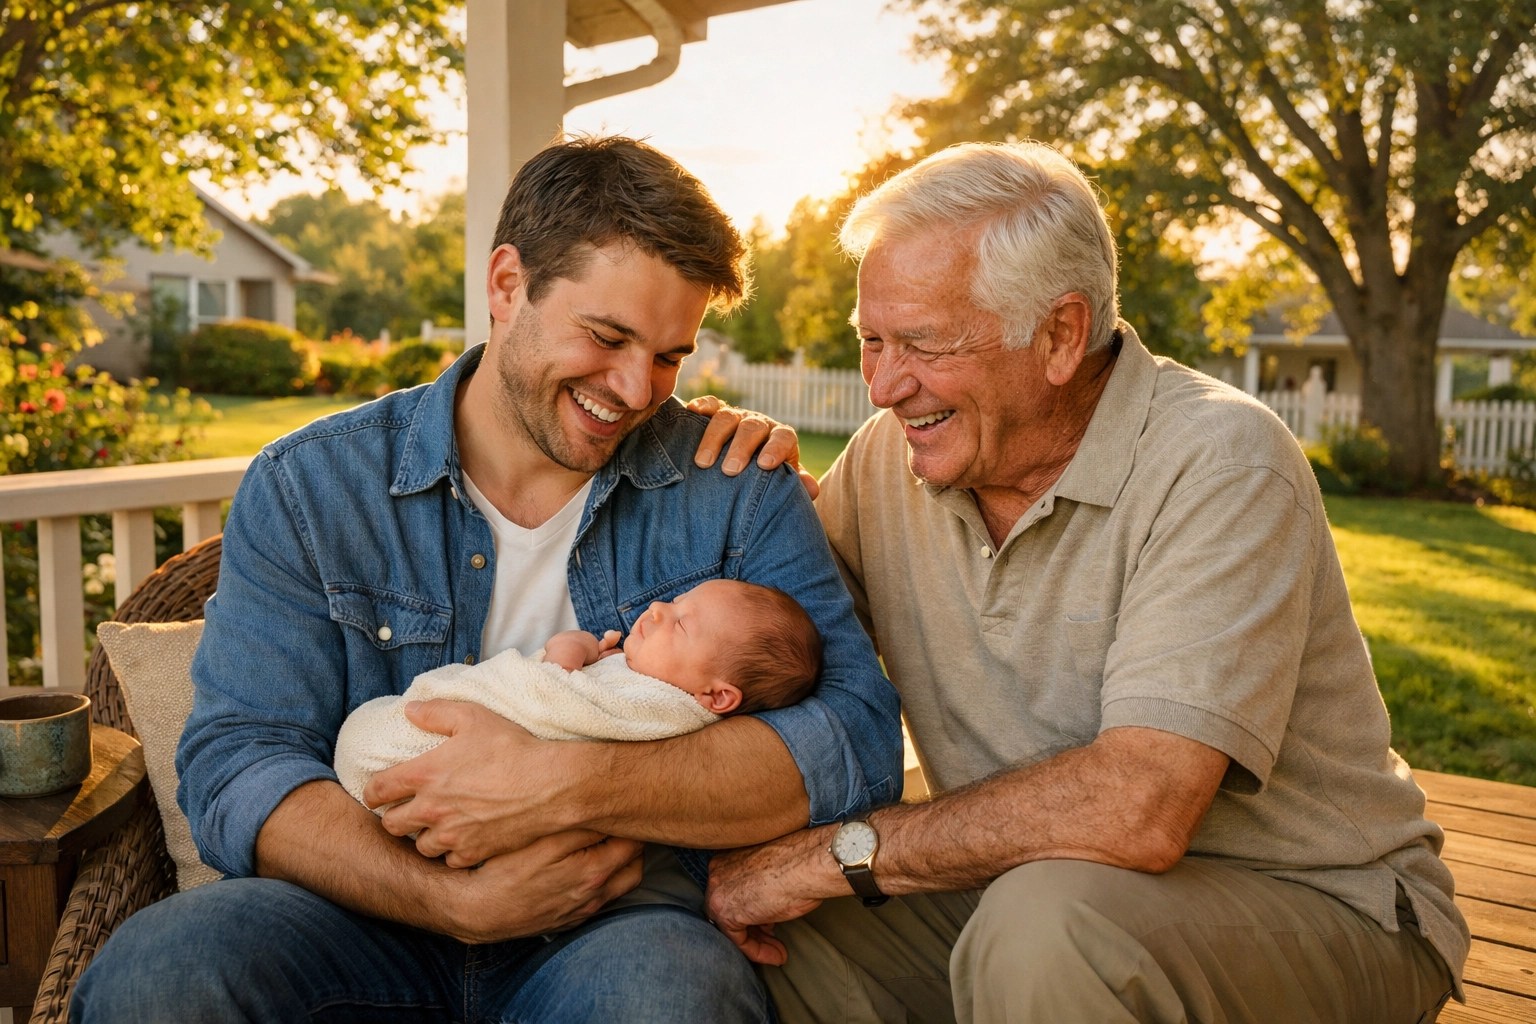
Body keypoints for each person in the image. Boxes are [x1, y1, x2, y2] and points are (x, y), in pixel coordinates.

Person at [73, 135, 901, 1023]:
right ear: (507, 285)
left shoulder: (734, 487)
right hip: (353, 914)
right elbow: (238, 761)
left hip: (615, 920)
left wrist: (564, 784)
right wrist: (450, 901)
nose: (634, 388)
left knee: (671, 996)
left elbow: (854, 744)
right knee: (159, 974)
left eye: (669, 355)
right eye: (608, 336)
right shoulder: (313, 486)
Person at [702, 141, 1467, 1023]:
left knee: (1044, 933)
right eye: (870, 340)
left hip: (1325, 902)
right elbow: (774, 638)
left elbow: (1139, 808)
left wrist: (826, 856)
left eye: (920, 343)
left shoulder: (1220, 460)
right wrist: (719, 482)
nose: (882, 385)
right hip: (1032, 882)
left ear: (1061, 334)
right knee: (772, 931)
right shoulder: (890, 462)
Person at [335, 579, 824, 808]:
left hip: (417, 754)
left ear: (717, 698)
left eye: (680, 623)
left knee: (379, 734)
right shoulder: (645, 684)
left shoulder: (662, 710)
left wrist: (567, 653)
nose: (655, 608)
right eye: (674, 601)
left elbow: (554, 703)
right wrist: (609, 662)